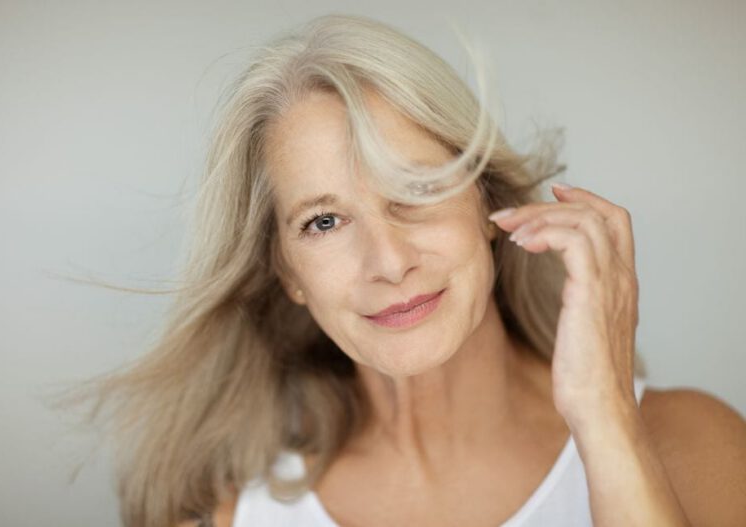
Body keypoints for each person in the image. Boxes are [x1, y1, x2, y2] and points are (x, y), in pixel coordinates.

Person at [67, 13, 746, 527]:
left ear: (487, 200)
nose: (388, 262)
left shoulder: (690, 446)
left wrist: (605, 425)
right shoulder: (221, 506)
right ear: (289, 273)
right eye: (324, 222)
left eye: (417, 190)